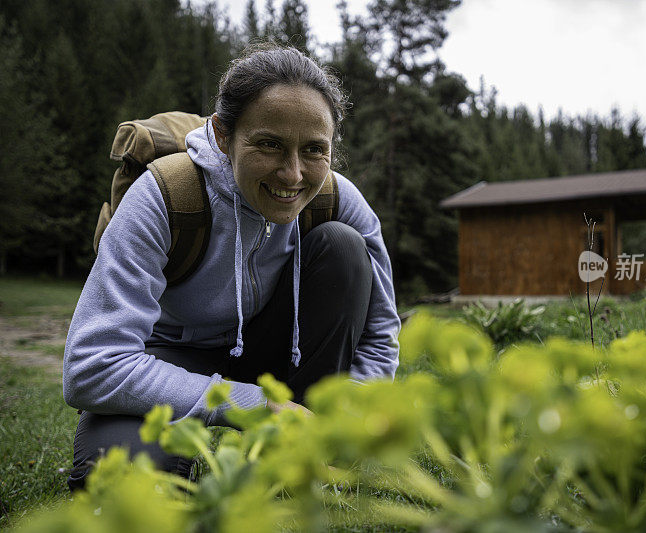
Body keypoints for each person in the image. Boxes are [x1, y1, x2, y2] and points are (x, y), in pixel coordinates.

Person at [62, 44, 401, 491]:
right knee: (120, 484)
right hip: (163, 358)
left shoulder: (339, 201)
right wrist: (250, 403)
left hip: (274, 348)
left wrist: (347, 419)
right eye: (269, 145)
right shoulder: (164, 196)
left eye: (314, 150)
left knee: (343, 247)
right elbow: (91, 366)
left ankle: (306, 440)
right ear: (223, 136)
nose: (293, 174)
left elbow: (379, 339)